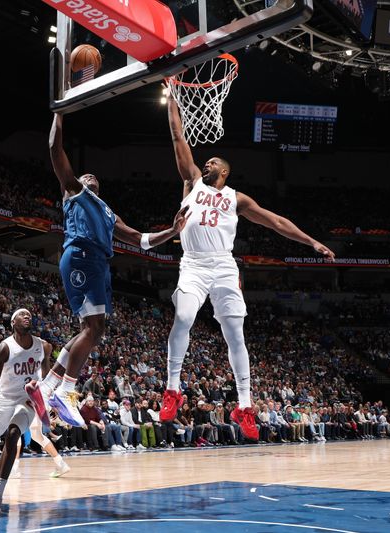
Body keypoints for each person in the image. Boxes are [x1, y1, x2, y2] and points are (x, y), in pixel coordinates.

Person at [159, 93, 335, 440]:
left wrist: (311, 241)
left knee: (234, 334)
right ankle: (172, 389)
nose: (205, 163)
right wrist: (173, 98)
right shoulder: (192, 181)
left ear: (223, 172)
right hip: (193, 264)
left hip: (224, 266)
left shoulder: (236, 198)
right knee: (183, 317)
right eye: (204, 161)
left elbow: (276, 222)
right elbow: (178, 136)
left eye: (211, 162)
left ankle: (244, 405)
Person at [38, 113, 190, 428]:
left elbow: (140, 240)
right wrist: (60, 113)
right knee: (94, 329)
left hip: (98, 265)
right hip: (82, 256)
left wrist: (173, 231)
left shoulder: (108, 213)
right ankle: (66, 391)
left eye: (94, 176)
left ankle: (48, 384)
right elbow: (55, 148)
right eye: (84, 174)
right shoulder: (74, 193)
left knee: (92, 330)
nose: (89, 174)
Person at [0, 308, 52, 519]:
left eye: (30, 315)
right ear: (13, 322)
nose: (27, 317)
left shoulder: (43, 347)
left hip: (26, 400)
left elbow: (48, 378)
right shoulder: (5, 347)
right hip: (5, 399)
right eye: (22, 315)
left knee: (14, 434)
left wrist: (44, 397)